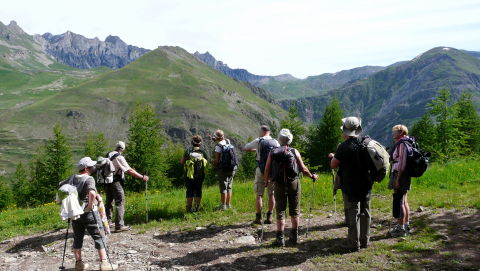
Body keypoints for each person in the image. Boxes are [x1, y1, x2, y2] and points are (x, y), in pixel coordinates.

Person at [58, 157, 118, 271]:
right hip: (89, 213)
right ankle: (104, 264)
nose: (94, 167)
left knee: (77, 237)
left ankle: (79, 264)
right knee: (99, 235)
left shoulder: (72, 178)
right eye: (91, 166)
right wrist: (90, 206)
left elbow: (60, 185)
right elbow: (91, 193)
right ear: (86, 168)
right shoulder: (89, 179)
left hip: (75, 213)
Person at [264, 128, 318, 246]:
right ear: (290, 139)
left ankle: (280, 238)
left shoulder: (273, 151)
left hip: (278, 183)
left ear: (279, 139)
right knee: (295, 209)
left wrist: (266, 182)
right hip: (293, 182)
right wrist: (312, 176)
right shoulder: (294, 151)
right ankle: (294, 236)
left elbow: (267, 168)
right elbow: (303, 169)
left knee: (280, 210)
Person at [329, 117, 372, 251]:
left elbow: (333, 165)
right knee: (366, 211)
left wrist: (333, 156)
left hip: (351, 184)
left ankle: (354, 242)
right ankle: (365, 240)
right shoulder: (367, 141)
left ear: (345, 131)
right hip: (367, 183)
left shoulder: (343, 147)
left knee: (353, 212)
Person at [105, 141, 149, 232]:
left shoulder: (108, 155)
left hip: (106, 181)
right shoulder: (119, 157)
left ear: (116, 147)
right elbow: (130, 170)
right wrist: (142, 177)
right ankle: (119, 226)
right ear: (123, 149)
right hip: (116, 182)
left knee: (109, 202)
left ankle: (107, 223)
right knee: (120, 201)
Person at [243, 125, 279, 224]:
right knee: (271, 194)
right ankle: (270, 216)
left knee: (259, 194)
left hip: (261, 170)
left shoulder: (258, 141)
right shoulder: (275, 142)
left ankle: (258, 218)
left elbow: (245, 148)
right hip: (272, 170)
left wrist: (255, 150)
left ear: (262, 131)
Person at [387, 125, 413, 237]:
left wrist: (397, 179)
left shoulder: (402, 144)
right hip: (403, 174)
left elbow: (402, 161)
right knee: (404, 200)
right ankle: (406, 225)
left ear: (401, 132)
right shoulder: (406, 142)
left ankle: (400, 228)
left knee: (399, 200)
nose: (393, 133)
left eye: (395, 131)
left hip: (399, 173)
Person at [181, 135, 208, 212]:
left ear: (192, 142)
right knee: (198, 190)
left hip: (189, 174)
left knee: (189, 190)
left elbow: (182, 162)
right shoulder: (203, 152)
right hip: (200, 174)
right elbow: (207, 163)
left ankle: (189, 209)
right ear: (200, 143)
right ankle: (197, 208)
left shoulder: (188, 151)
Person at [213, 130, 236, 210]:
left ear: (216, 137)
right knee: (229, 186)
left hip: (222, 168)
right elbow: (223, 139)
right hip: (232, 167)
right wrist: (217, 138)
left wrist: (215, 166)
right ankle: (228, 204)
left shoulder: (218, 146)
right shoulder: (227, 141)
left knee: (223, 187)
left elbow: (217, 159)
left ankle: (223, 206)